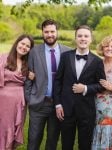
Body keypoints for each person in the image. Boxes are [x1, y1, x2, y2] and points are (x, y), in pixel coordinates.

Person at [53, 25, 106, 150]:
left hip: (86, 111)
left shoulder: (97, 61)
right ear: (75, 39)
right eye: (80, 36)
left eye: (86, 36)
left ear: (91, 39)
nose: (83, 38)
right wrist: (58, 104)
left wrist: (86, 88)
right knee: (66, 144)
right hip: (66, 109)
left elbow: (101, 85)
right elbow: (58, 81)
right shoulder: (65, 57)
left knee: (85, 145)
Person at [24, 19, 70, 150]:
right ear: (42, 33)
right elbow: (28, 77)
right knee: (33, 140)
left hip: (58, 104)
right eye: (46, 32)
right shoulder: (33, 52)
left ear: (57, 32)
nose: (50, 35)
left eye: (52, 31)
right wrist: (30, 98)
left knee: (52, 140)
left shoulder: (67, 52)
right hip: (38, 103)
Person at [0, 34, 34, 150]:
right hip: (3, 101)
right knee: (3, 128)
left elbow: (32, 84)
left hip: (19, 102)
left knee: (14, 129)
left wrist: (32, 77)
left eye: (27, 46)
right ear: (17, 43)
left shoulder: (28, 64)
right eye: (22, 43)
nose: (24, 47)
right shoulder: (3, 58)